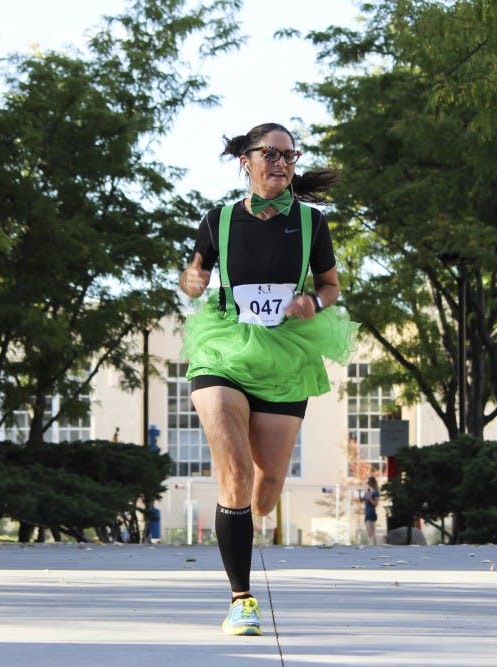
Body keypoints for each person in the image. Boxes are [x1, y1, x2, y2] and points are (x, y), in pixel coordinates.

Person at [178, 122, 358, 636]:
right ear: (246, 160)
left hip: (285, 352)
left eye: (289, 156)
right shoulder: (218, 220)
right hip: (225, 346)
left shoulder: (311, 222)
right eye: (270, 153)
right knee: (233, 469)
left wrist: (311, 302)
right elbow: (194, 275)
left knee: (267, 483)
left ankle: (245, 522)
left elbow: (330, 287)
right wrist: (192, 280)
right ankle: (241, 599)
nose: (281, 162)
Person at [363, 476, 381, 546]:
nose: (367, 484)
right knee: (370, 533)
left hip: (371, 512)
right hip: (367, 512)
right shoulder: (369, 491)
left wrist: (370, 497)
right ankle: (373, 546)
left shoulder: (376, 492)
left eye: (369, 482)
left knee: (372, 533)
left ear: (372, 483)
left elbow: (375, 504)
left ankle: (374, 546)